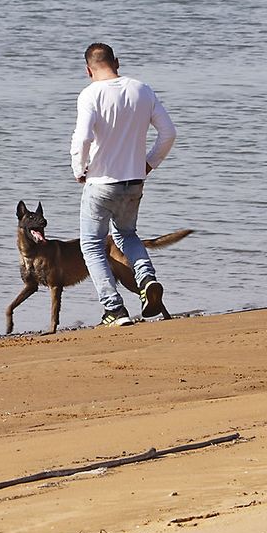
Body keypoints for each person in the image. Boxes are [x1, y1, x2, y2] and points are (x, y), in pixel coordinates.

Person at [70, 42, 178, 327]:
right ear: (116, 62)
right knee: (127, 235)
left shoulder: (90, 94)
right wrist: (148, 164)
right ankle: (146, 280)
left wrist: (78, 169)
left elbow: (82, 138)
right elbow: (168, 133)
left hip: (101, 183)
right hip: (134, 181)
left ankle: (114, 309)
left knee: (92, 245)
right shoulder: (142, 89)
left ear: (87, 70)